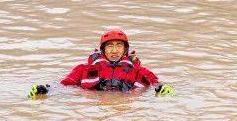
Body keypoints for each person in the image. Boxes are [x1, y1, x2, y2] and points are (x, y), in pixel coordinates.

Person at [28, 29, 174, 98]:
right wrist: (45, 90)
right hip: (97, 111)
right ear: (103, 50)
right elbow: (64, 86)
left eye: (119, 46)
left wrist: (165, 90)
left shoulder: (139, 71)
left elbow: (157, 84)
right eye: (110, 46)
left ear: (125, 50)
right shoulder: (83, 69)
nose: (115, 50)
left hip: (126, 114)